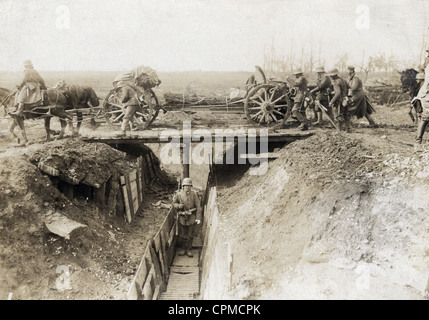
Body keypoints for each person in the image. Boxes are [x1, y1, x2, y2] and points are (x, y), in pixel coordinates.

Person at [172, 178, 202, 257]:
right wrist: (178, 206)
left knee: (190, 235)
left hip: (191, 217)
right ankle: (182, 249)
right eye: (186, 186)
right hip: (182, 217)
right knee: (182, 235)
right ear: (183, 186)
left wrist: (198, 218)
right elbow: (174, 203)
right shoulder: (178, 194)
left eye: (189, 186)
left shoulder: (194, 194)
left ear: (191, 187)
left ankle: (189, 249)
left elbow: (198, 206)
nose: (187, 188)